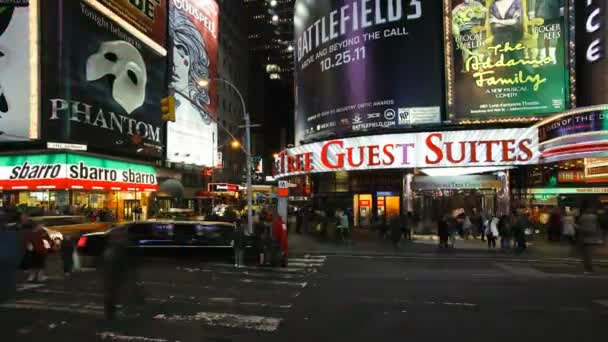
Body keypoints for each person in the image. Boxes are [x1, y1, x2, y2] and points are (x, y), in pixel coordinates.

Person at [103, 227, 144, 320]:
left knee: (114, 292)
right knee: (113, 292)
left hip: (119, 272)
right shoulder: (114, 250)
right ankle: (111, 312)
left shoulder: (116, 249)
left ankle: (111, 312)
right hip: (117, 273)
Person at [22, 216, 52, 282]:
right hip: (35, 251)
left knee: (40, 264)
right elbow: (27, 241)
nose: (42, 225)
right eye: (41, 224)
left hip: (40, 250)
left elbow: (47, 240)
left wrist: (47, 248)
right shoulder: (34, 232)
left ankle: (38, 276)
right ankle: (34, 276)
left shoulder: (41, 232)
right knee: (34, 264)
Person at [576, 205, 598, 273]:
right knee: (589, 254)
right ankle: (590, 268)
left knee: (585, 255)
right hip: (592, 239)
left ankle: (588, 268)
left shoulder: (583, 217)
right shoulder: (594, 217)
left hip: (583, 238)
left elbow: (580, 226)